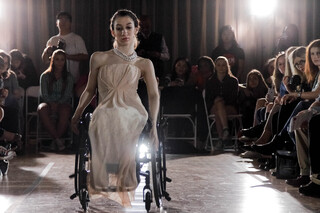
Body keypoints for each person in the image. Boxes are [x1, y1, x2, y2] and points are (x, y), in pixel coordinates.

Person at [71, 9, 159, 207]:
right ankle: (110, 168)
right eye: (119, 28)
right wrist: (76, 115)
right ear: (112, 32)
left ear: (136, 29)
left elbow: (154, 94)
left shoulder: (144, 63)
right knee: (104, 115)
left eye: (128, 27)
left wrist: (153, 125)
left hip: (133, 110)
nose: (124, 32)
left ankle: (126, 168)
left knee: (121, 115)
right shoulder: (99, 58)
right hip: (105, 110)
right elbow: (89, 90)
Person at [41, 11, 89, 90]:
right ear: (56, 23)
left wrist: (66, 56)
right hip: (54, 79)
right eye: (60, 19)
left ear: (70, 23)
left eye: (66, 20)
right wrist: (47, 51)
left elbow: (85, 56)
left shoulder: (77, 38)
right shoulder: (52, 40)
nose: (63, 22)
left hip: (72, 79)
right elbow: (45, 60)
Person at [38, 49, 74, 151]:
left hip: (62, 103)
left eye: (62, 60)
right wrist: (51, 103)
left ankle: (55, 140)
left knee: (65, 111)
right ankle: (58, 140)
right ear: (52, 60)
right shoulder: (45, 76)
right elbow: (44, 93)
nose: (59, 62)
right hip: (48, 102)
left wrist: (58, 104)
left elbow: (67, 94)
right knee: (41, 109)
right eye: (57, 59)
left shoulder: (69, 77)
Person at [205, 56, 239, 151]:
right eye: (219, 65)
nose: (221, 67)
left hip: (229, 107)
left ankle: (221, 138)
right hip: (214, 106)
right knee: (217, 107)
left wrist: (222, 101)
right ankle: (225, 131)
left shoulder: (233, 81)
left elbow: (233, 98)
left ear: (227, 66)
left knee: (218, 108)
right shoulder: (210, 81)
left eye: (223, 65)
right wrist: (217, 101)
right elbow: (208, 98)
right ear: (215, 66)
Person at [136, 14, 170, 83]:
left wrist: (158, 55)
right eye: (142, 27)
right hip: (138, 74)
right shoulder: (133, 38)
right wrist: (137, 54)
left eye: (147, 27)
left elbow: (167, 56)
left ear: (151, 25)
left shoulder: (159, 37)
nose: (145, 29)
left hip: (156, 72)